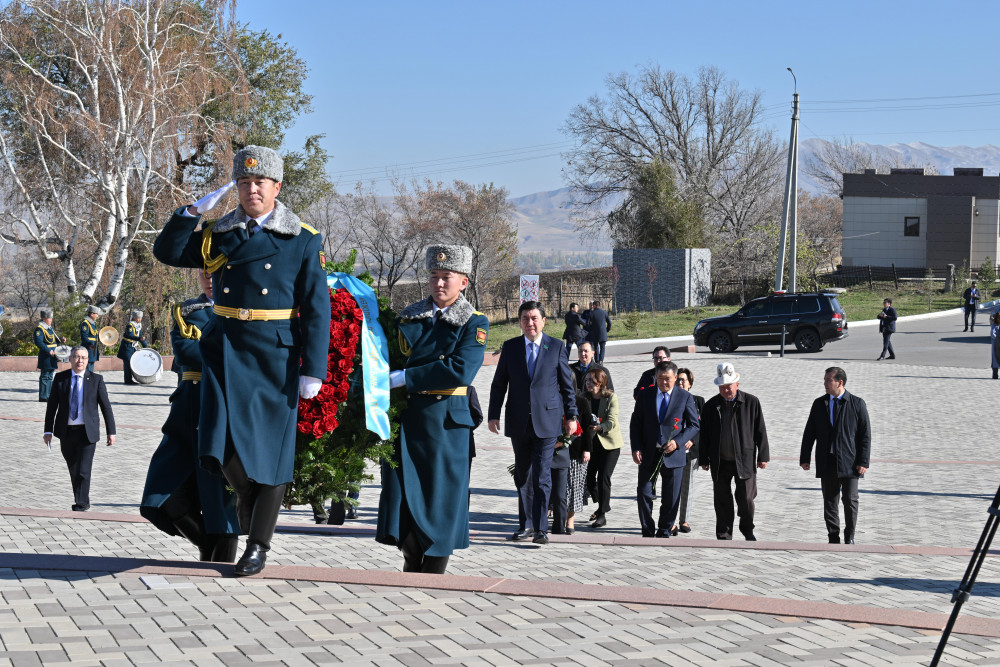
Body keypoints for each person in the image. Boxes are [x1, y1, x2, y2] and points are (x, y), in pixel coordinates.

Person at [153, 145, 331, 577]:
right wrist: (189, 212)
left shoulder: (301, 238)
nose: (252, 189)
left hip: (274, 353)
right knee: (216, 445)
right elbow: (168, 252)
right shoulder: (221, 232)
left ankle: (259, 544)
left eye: (260, 182)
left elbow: (316, 306)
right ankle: (248, 500)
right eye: (245, 182)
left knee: (271, 451)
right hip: (225, 346)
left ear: (277, 187)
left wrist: (314, 369)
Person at [377, 245, 488, 574]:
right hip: (410, 420)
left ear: (463, 282)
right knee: (405, 499)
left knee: (442, 502)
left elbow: (459, 370)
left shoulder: (473, 322)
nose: (439, 284)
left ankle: (435, 573)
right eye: (434, 277)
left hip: (446, 425)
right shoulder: (410, 316)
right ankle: (411, 563)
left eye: (447, 277)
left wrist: (406, 377)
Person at [140, 271, 239, 562]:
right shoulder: (188, 311)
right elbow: (186, 353)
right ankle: (206, 544)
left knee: (221, 493)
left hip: (227, 410)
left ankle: (220, 561)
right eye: (204, 273)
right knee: (161, 492)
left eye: (217, 272)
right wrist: (230, 352)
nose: (210, 278)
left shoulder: (244, 308)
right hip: (188, 410)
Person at [489, 301, 577, 546]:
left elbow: (567, 386)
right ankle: (525, 525)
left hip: (547, 421)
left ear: (543, 321)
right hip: (519, 421)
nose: (530, 323)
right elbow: (499, 384)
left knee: (541, 476)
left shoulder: (556, 346)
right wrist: (493, 414)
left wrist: (571, 416)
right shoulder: (511, 347)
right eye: (525, 318)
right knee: (523, 476)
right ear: (519, 322)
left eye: (534, 318)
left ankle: (541, 528)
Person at [800, 367, 871, 544]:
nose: (825, 383)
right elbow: (810, 432)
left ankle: (850, 536)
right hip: (827, 460)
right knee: (830, 502)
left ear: (840, 382)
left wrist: (863, 461)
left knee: (850, 500)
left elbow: (865, 435)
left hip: (850, 461)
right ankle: (833, 537)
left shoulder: (857, 403)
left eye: (828, 380)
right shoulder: (819, 404)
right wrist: (805, 457)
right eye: (824, 380)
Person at [629, 361, 700, 537]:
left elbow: (693, 425)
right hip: (649, 452)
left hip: (673, 453)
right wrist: (636, 447)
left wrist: (678, 442)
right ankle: (647, 528)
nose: (663, 382)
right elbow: (636, 423)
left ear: (675, 378)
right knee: (644, 492)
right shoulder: (646, 395)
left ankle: (665, 529)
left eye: (667, 379)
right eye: (660, 378)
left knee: (671, 497)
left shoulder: (684, 397)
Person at [699, 363, 769, 541]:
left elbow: (760, 430)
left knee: (746, 499)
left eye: (728, 387)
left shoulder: (751, 402)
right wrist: (703, 458)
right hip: (720, 461)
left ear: (737, 384)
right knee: (722, 500)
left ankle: (747, 530)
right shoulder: (710, 406)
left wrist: (763, 456)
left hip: (744, 459)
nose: (725, 390)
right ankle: (724, 534)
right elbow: (704, 434)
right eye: (721, 387)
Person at [43, 346, 116, 511]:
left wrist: (111, 431)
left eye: (83, 357)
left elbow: (106, 407)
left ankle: (81, 503)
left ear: (87, 360)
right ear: (70, 359)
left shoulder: (96, 380)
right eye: (76, 357)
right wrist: (47, 431)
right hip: (66, 432)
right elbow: (52, 406)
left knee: (84, 470)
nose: (80, 361)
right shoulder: (61, 378)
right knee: (74, 469)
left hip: (87, 433)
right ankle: (83, 498)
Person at [583, 367, 625, 529]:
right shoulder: (584, 397)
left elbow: (612, 421)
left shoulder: (611, 397)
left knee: (603, 478)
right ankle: (602, 505)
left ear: (601, 383)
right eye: (586, 380)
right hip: (592, 445)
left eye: (592, 381)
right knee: (589, 478)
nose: (588, 384)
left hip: (610, 445)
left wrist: (599, 427)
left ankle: (602, 515)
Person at [674, 367, 705, 535]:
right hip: (673, 450)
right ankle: (670, 520)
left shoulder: (699, 401)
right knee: (672, 487)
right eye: (678, 379)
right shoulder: (670, 399)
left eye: (683, 380)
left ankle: (684, 520)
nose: (680, 382)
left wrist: (693, 440)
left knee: (687, 486)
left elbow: (703, 427)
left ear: (690, 384)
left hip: (691, 452)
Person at [563, 378, 593, 534]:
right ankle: (557, 516)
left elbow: (588, 427)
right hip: (556, 450)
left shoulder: (581, 401)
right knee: (560, 487)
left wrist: (587, 449)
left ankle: (570, 519)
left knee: (574, 487)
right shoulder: (553, 399)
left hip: (577, 451)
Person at [33, 308, 63, 402]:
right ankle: (43, 396)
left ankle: (48, 395)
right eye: (50, 318)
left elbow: (53, 340)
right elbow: (39, 342)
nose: (51, 320)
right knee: (45, 376)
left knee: (50, 376)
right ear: (44, 319)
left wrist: (61, 339)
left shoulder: (49, 328)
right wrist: (48, 350)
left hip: (53, 356)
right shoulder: (40, 329)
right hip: (46, 356)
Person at [117, 310, 146, 385]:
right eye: (138, 318)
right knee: (127, 364)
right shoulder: (130, 325)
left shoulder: (138, 325)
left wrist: (146, 347)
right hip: (127, 346)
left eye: (140, 318)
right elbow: (130, 335)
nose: (140, 319)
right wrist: (139, 339)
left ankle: (130, 379)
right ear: (134, 318)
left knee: (132, 363)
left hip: (133, 346)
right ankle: (127, 380)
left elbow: (140, 336)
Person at [79, 305, 101, 374]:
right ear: (92, 314)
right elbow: (84, 337)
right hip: (88, 347)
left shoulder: (93, 323)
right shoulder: (85, 323)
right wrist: (90, 344)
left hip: (93, 347)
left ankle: (90, 381)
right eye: (96, 314)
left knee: (91, 365)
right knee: (87, 366)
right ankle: (87, 382)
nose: (97, 316)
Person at [991, 311, 1000, 379]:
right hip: (996, 344)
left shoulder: (994, 324)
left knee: (995, 360)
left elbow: (992, 334)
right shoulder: (995, 324)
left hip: (995, 345)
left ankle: (995, 375)